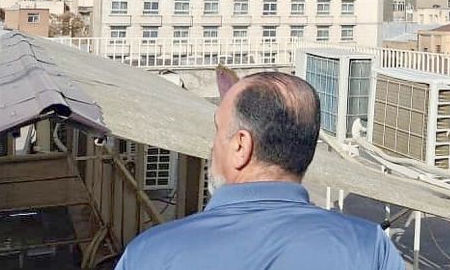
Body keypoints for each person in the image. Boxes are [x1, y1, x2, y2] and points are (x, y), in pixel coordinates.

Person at [115, 71, 404, 269]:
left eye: (217, 130)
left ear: (241, 146)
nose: (212, 146)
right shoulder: (370, 248)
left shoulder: (152, 254)